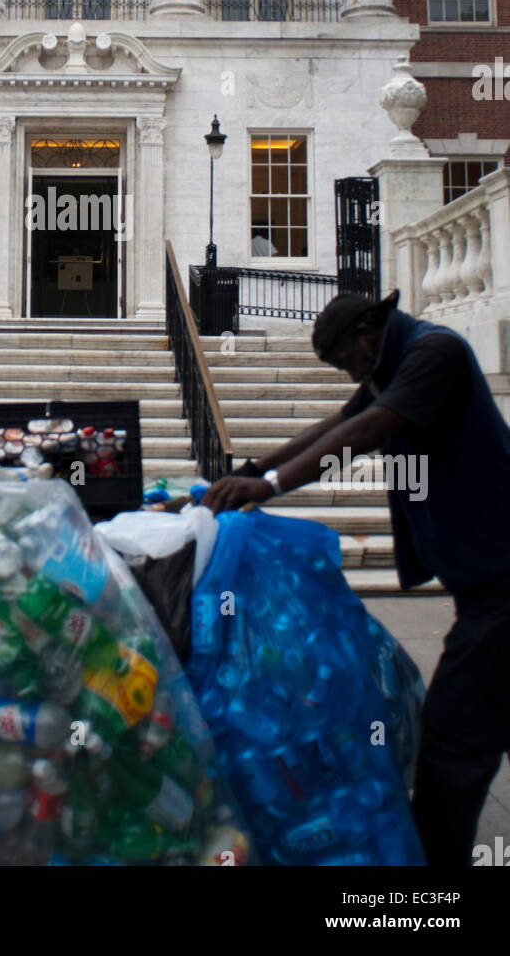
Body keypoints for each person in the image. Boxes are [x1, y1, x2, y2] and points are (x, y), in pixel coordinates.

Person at [201, 288, 510, 866]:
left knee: (454, 738)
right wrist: (249, 470)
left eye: (345, 360)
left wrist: (269, 489)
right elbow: (335, 424)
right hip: (484, 585)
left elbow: (366, 431)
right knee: (483, 715)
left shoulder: (433, 354)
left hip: (504, 586)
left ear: (369, 332)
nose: (348, 372)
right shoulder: (393, 364)